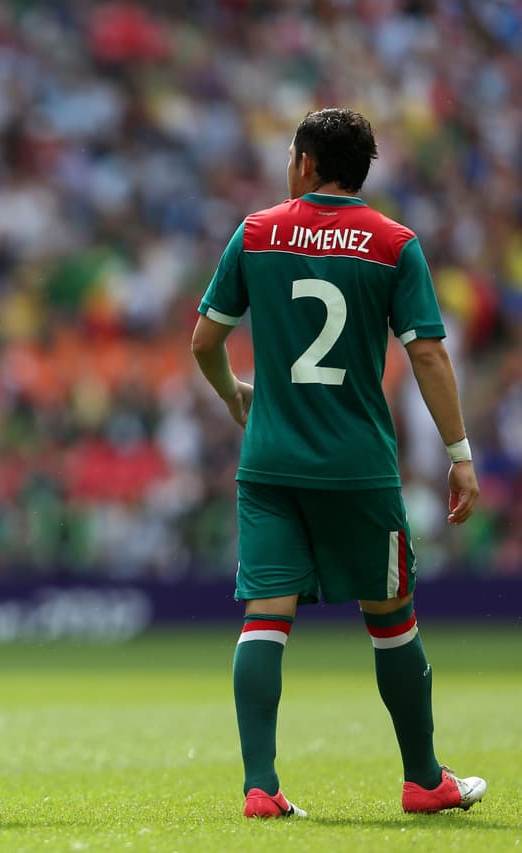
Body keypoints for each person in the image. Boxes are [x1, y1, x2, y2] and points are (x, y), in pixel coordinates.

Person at [191, 108, 487, 819]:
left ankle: (260, 786)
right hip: (358, 466)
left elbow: (204, 339)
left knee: (265, 616)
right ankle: (423, 779)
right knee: (391, 619)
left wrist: (236, 394)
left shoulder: (256, 232)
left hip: (269, 462)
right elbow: (426, 352)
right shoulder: (394, 244)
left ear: (301, 163)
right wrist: (459, 456)